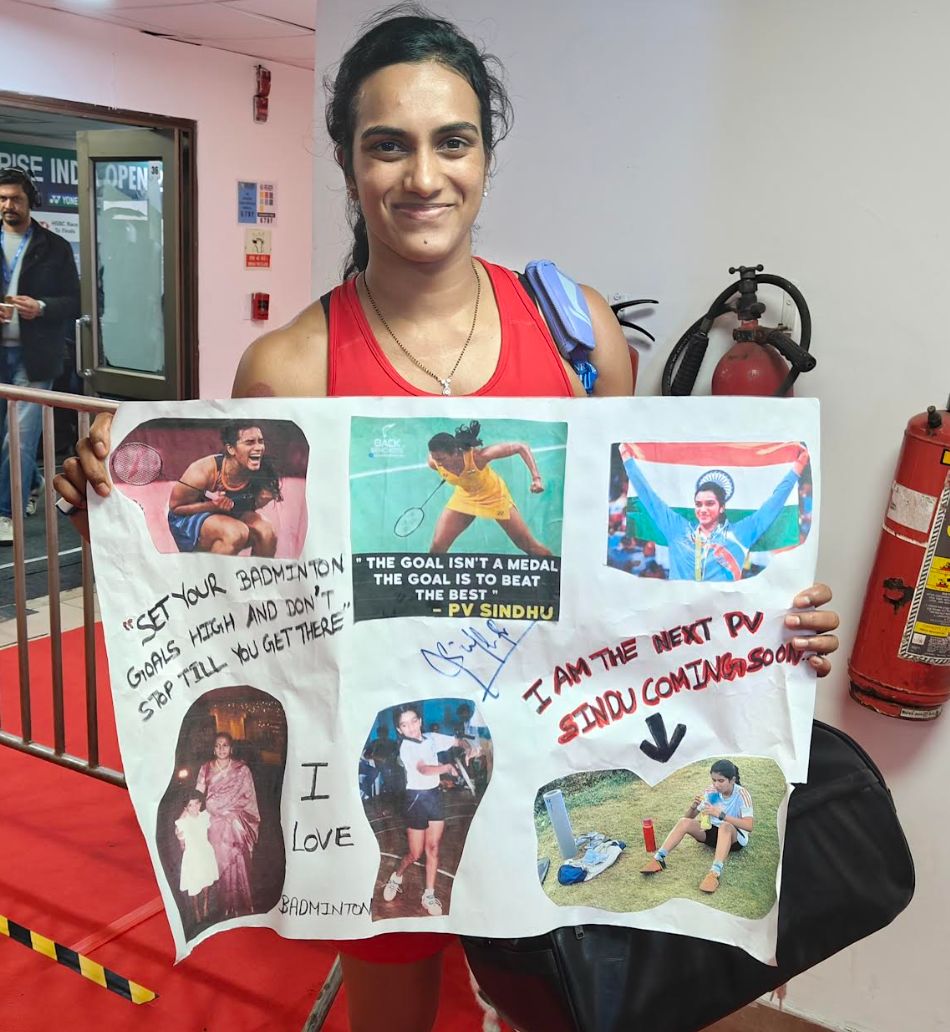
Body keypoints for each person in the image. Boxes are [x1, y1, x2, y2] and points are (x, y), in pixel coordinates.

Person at [56, 9, 840, 1030]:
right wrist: (118, 497)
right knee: (394, 1010)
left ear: (484, 154)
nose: (421, 176)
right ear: (347, 163)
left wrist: (760, 614)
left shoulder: (577, 336)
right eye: (387, 145)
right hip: (394, 763)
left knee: (561, 1005)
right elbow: (240, 595)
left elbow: (632, 559)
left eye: (450, 141)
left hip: (554, 748)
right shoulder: (290, 367)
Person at [0, 168, 80, 544]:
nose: (7, 205)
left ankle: (5, 513)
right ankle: (31, 484)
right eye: (2, 198)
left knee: (18, 439)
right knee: (10, 439)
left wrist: (42, 307)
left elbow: (74, 301)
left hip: (35, 359)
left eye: (15, 198)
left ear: (30, 200)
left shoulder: (55, 248)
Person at [619, 442, 811, 581]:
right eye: (699, 504)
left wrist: (797, 468)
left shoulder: (739, 533)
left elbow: (772, 506)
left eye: (709, 503)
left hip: (723, 624)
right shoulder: (678, 529)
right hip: (678, 624)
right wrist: (628, 460)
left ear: (722, 507)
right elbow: (650, 498)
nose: (702, 509)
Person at [380, 704, 471, 917]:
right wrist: (446, 768)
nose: (410, 727)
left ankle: (428, 894)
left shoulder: (431, 738)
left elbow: (459, 741)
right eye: (404, 724)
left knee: (433, 848)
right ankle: (397, 876)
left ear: (420, 720)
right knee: (415, 853)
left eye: (413, 721)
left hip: (434, 797)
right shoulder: (407, 748)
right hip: (416, 800)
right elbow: (423, 769)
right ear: (400, 730)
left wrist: (468, 748)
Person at [427, 419, 552, 555]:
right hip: (466, 497)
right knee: (437, 547)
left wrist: (536, 479)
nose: (438, 463)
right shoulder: (434, 463)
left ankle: (553, 572)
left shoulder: (478, 457)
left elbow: (520, 447)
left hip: (494, 496)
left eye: (441, 459)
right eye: (435, 458)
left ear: (455, 453)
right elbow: (436, 459)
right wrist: (444, 463)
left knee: (528, 546)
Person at [167, 422, 282, 556]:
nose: (258, 448)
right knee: (235, 533)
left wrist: (256, 502)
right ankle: (210, 575)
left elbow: (240, 506)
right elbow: (175, 508)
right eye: (250, 442)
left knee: (267, 532)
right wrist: (212, 506)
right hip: (187, 519)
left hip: (226, 514)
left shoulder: (262, 471)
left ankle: (256, 576)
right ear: (231, 449)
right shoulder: (203, 470)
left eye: (260, 441)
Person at [640, 759, 752, 895]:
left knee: (725, 826)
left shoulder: (742, 794)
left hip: (733, 839)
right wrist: (693, 807)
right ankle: (658, 859)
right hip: (711, 833)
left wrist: (721, 814)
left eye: (721, 781)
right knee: (683, 822)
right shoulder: (711, 792)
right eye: (713, 780)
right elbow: (689, 818)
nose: (716, 785)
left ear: (732, 780)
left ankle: (714, 873)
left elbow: (749, 825)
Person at [195, 732, 261, 921]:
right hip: (214, 823)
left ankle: (243, 904)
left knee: (238, 859)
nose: (221, 749)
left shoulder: (242, 770)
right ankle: (225, 905)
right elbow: (198, 794)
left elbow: (248, 796)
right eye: (218, 745)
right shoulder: (206, 768)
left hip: (235, 822)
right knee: (219, 863)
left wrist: (231, 813)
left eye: (225, 745)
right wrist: (187, 815)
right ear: (213, 748)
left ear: (231, 748)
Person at [174, 789, 220, 925]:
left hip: (205, 852)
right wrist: (184, 817)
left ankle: (205, 905)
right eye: (190, 805)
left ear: (200, 804)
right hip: (192, 856)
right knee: (194, 885)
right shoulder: (182, 822)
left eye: (196, 804)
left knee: (206, 881)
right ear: (185, 808)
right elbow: (180, 836)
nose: (194, 808)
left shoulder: (204, 816)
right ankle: (196, 911)